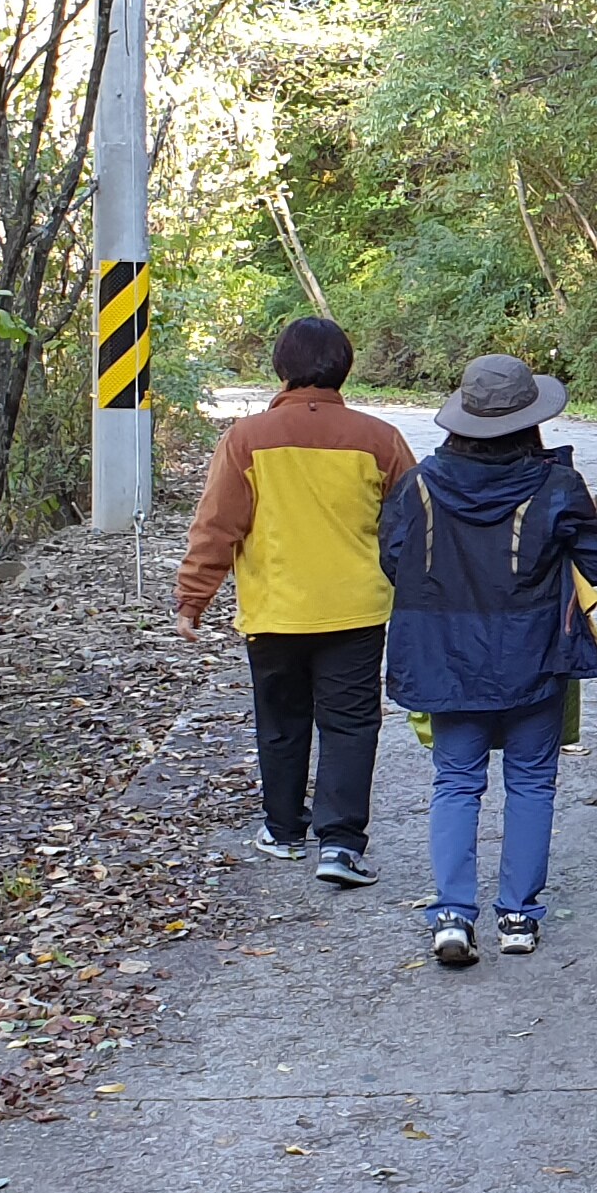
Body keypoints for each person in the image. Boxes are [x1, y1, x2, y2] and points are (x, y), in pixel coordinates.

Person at [382, 354, 597, 968]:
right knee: (532, 781)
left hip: (444, 658)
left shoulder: (421, 485)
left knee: (456, 782)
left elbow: (394, 559)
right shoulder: (556, 486)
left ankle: (453, 916)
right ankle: (518, 915)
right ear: (530, 420)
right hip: (534, 653)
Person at [174, 317, 414, 889]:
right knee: (352, 724)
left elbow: (217, 526)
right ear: (345, 368)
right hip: (357, 609)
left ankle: (283, 830)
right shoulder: (379, 439)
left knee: (281, 720)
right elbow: (411, 526)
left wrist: (192, 598)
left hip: (275, 608)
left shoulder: (246, 438)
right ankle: (340, 845)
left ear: (282, 367)